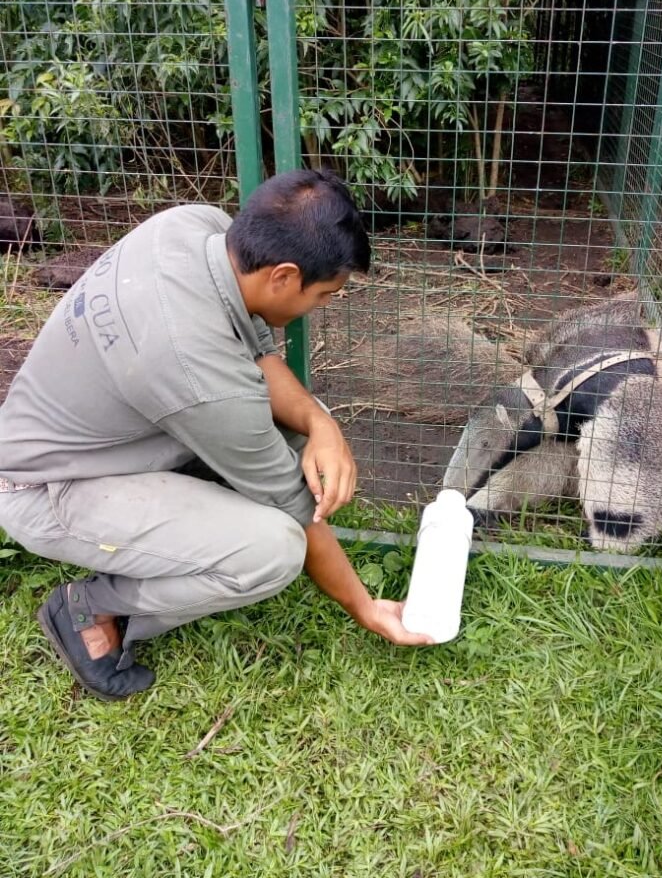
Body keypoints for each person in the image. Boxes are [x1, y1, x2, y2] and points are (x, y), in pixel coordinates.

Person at [0, 168, 432, 702]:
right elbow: (300, 511)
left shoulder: (192, 227)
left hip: (95, 434)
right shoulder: (194, 370)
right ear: (283, 277)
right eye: (324, 295)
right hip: (46, 487)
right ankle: (94, 607)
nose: (322, 307)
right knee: (272, 550)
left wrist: (323, 424)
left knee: (300, 424)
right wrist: (364, 608)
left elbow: (256, 355)